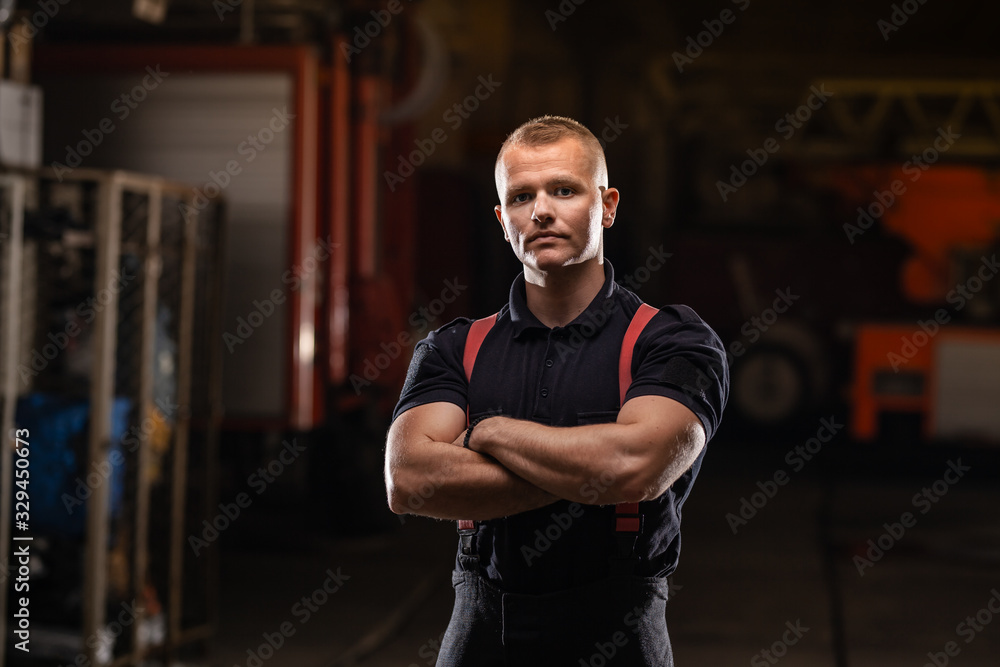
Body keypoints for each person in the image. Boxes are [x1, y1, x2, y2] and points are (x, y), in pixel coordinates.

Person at [384, 115, 728, 666]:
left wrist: (489, 433)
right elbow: (410, 480)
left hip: (618, 640)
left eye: (563, 190)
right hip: (480, 637)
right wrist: (586, 470)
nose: (541, 209)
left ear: (607, 205)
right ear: (502, 219)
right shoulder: (454, 349)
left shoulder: (671, 341)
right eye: (522, 196)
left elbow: (635, 467)